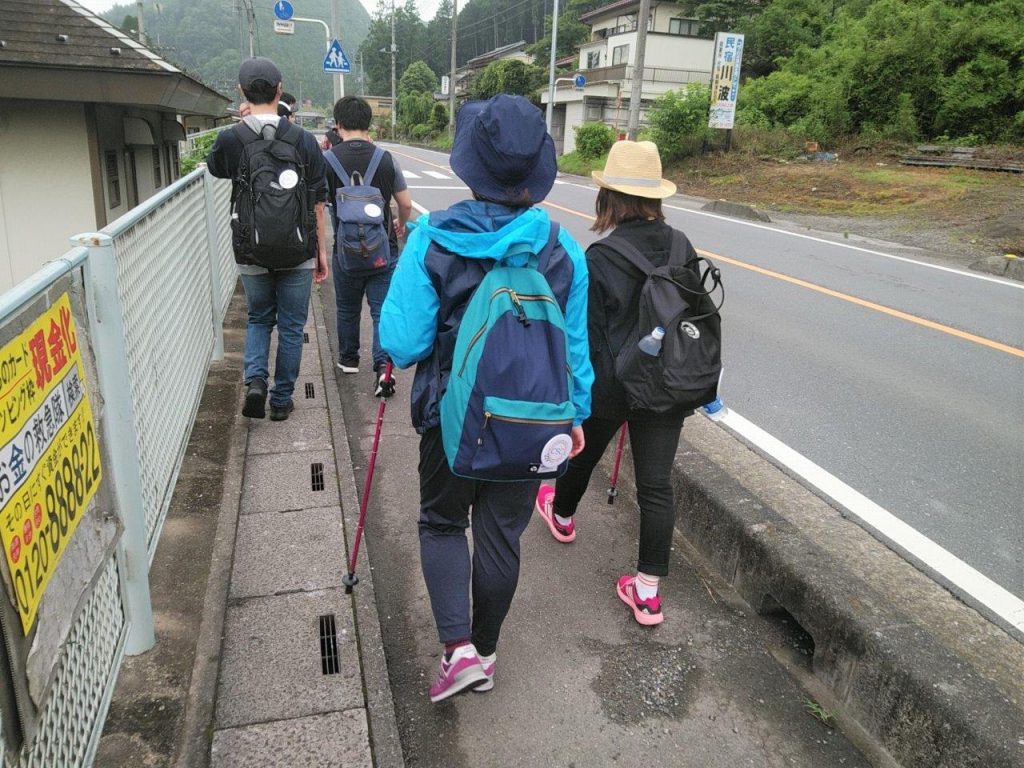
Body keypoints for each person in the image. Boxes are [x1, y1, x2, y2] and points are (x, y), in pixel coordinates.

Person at [379, 94, 593, 702]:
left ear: (469, 163)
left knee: (443, 522)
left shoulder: (431, 239)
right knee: (502, 535)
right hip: (530, 424)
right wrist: (574, 416)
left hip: (448, 419)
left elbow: (402, 340)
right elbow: (576, 351)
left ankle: (458, 650)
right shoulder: (562, 249)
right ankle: (487, 653)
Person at [535, 140, 690, 626]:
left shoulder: (599, 257)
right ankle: (646, 593)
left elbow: (583, 336)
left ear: (610, 198)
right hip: (668, 382)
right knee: (656, 486)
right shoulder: (683, 245)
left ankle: (561, 517)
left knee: (583, 455)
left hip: (613, 382)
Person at [206, 57, 329, 421]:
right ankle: (280, 401)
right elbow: (318, 202)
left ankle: (256, 381)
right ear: (280, 91)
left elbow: (217, 169)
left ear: (242, 92)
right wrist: (320, 252)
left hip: (249, 245)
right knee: (292, 327)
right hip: (298, 246)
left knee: (260, 318)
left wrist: (241, 128)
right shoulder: (303, 140)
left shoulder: (232, 138)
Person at [325, 96, 412, 395]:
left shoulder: (328, 160)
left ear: (338, 125)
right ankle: (382, 369)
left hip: (345, 251)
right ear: (368, 124)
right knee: (381, 311)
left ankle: (349, 360)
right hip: (382, 250)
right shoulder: (385, 159)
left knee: (347, 308)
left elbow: (317, 207)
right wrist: (400, 223)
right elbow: (406, 203)